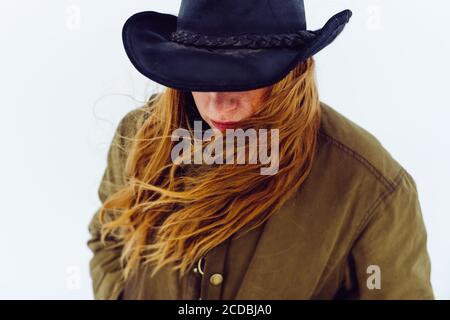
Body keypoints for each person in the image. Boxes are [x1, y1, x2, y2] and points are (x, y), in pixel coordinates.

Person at [87, 0, 434, 299]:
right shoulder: (138, 138)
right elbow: (108, 240)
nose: (218, 106)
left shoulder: (371, 188)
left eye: (243, 76)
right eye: (199, 73)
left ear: (292, 73)